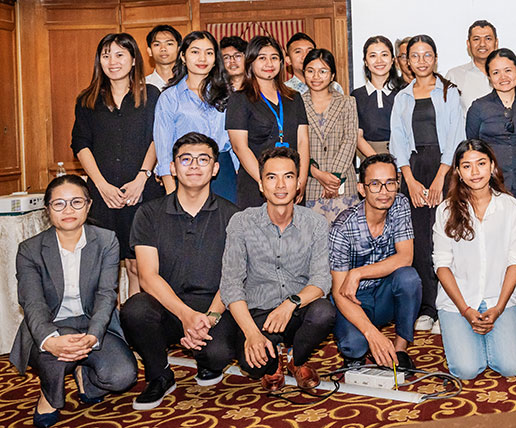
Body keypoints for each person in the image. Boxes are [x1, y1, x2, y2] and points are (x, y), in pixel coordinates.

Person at [121, 133, 240, 410]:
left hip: (214, 307)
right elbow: (148, 277)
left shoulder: (234, 216)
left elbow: (234, 277)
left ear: (215, 168)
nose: (194, 166)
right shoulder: (149, 214)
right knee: (134, 309)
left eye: (203, 160)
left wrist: (207, 319)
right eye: (185, 160)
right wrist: (186, 316)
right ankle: (159, 375)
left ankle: (207, 359)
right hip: (167, 304)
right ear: (172, 168)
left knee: (218, 354)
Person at [12, 175, 137, 428]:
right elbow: (33, 303)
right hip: (52, 324)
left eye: (76, 202)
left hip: (92, 322)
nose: (68, 210)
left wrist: (93, 335)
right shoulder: (30, 249)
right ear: (47, 209)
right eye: (59, 204)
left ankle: (85, 374)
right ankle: (49, 396)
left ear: (89, 206)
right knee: (54, 355)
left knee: (122, 376)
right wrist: (52, 340)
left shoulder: (106, 240)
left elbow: (106, 295)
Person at [219, 147, 335, 391]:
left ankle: (295, 359)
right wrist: (251, 333)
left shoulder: (314, 223)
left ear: (298, 184)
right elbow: (230, 285)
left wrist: (290, 303)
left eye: (289, 176)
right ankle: (273, 366)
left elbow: (322, 280)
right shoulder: (241, 222)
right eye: (272, 177)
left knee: (324, 312)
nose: (280, 185)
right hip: (259, 312)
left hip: (296, 309)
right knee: (254, 366)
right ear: (261, 185)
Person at [72, 32, 162, 298]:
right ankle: (109, 331)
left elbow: (159, 138)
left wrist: (142, 178)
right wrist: (101, 186)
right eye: (106, 55)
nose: (112, 61)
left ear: (134, 59)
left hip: (142, 191)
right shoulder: (88, 99)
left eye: (120, 54)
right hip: (103, 194)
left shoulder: (151, 95)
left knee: (138, 266)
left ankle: (134, 328)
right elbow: (80, 144)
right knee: (104, 266)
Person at [434, 140, 516, 379]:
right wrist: (465, 310)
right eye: (466, 166)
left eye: (481, 164)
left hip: (499, 299)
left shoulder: (510, 207)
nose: (475, 172)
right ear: (457, 171)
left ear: (492, 166)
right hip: (459, 302)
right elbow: (442, 265)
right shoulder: (446, 210)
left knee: (511, 367)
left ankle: (487, 337)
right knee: (466, 370)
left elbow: (514, 262)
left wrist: (498, 309)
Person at [390, 34, 465, 333]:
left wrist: (439, 178)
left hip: (445, 168)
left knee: (447, 236)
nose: (421, 61)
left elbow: (455, 137)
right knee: (420, 239)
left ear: (435, 58)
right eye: (415, 56)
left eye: (427, 55)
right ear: (407, 61)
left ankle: (448, 304)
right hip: (413, 170)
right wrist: (408, 179)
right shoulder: (402, 97)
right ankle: (427, 307)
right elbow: (398, 140)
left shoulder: (449, 92)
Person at [466, 48, 516, 324]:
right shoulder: (479, 107)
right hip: (488, 188)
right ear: (488, 77)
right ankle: (488, 296)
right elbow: (470, 146)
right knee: (488, 243)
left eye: (508, 70)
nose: (503, 76)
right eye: (495, 72)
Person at [329, 154, 421, 370]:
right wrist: (372, 334)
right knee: (354, 347)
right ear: (362, 189)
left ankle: (400, 349)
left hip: (384, 293)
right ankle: (362, 338)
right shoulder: (343, 227)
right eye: (375, 184)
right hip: (353, 298)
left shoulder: (400, 205)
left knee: (409, 278)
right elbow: (337, 292)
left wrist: (358, 272)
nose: (384, 192)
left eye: (390, 183)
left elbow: (405, 257)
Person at [226, 36, 309, 209]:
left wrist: (300, 180)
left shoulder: (294, 98)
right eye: (262, 58)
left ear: (281, 62)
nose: (269, 63)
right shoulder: (239, 99)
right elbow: (239, 147)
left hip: (291, 184)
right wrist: (266, 182)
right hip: (255, 185)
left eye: (274, 58)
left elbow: (303, 142)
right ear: (251, 62)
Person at [154, 30, 237, 202]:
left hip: (223, 170)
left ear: (215, 59)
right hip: (186, 169)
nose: (202, 58)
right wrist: (171, 194)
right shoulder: (169, 98)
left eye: (209, 53)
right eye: (195, 52)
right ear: (183, 56)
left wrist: (237, 172)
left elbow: (236, 142)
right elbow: (163, 151)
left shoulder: (229, 94)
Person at [302, 48, 360, 225]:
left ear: (332, 75)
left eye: (323, 71)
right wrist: (318, 174)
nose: (316, 76)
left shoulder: (347, 102)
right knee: (315, 241)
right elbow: (297, 144)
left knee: (347, 239)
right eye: (310, 71)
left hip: (343, 183)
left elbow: (350, 139)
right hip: (312, 184)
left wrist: (333, 178)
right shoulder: (296, 103)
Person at [447, 20, 516, 112]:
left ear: (496, 43)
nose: (482, 44)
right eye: (476, 39)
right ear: (468, 44)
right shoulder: (454, 76)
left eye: (488, 38)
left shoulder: (511, 74)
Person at [352, 35, 403, 158]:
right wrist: (377, 162)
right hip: (369, 159)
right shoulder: (356, 96)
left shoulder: (404, 92)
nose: (379, 61)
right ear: (366, 62)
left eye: (384, 55)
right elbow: (357, 136)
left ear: (392, 60)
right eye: (373, 56)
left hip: (402, 159)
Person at [145, 25, 181, 91]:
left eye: (169, 44)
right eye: (157, 44)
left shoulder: (188, 82)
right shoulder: (142, 85)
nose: (163, 48)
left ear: (178, 50)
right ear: (150, 51)